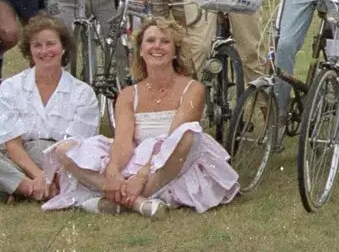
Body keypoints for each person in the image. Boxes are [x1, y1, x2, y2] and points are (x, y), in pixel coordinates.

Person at [45, 16, 239, 215]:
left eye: (165, 42)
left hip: (172, 161)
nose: (157, 46)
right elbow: (123, 142)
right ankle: (136, 202)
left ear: (175, 52)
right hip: (136, 156)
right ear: (140, 51)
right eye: (150, 41)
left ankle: (120, 199)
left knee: (188, 134)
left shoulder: (193, 89)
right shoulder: (128, 94)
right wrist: (112, 171)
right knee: (64, 149)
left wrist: (143, 175)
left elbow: (173, 139)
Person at [0, 15, 100, 200]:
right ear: (29, 51)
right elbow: (12, 144)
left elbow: (77, 149)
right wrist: (39, 176)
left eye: (50, 44)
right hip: (21, 161)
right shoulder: (11, 87)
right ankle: (32, 189)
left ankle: (18, 189)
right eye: (37, 46)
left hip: (65, 164)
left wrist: (52, 174)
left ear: (63, 47)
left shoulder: (84, 93)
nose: (45, 51)